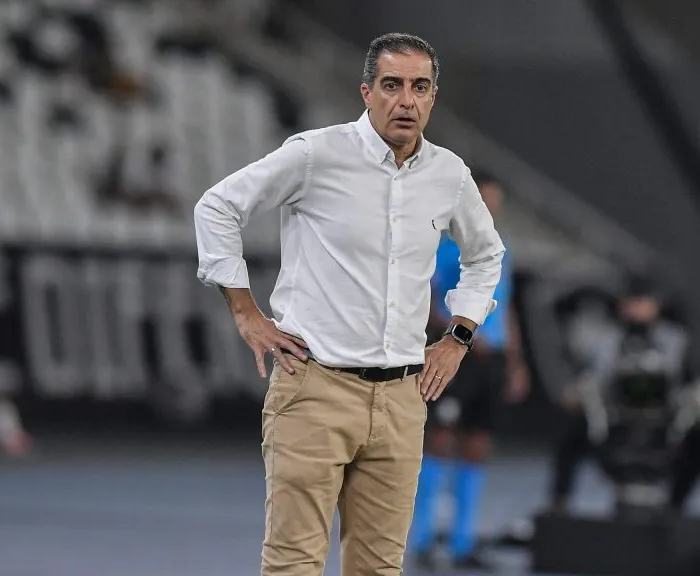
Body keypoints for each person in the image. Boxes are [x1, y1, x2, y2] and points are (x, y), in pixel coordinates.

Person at [193, 33, 505, 576]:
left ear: (433, 98)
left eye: (419, 87)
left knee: (380, 569)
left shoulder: (449, 175)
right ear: (366, 91)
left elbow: (486, 255)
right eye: (391, 85)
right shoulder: (316, 154)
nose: (405, 100)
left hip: (403, 398)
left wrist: (458, 337)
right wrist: (245, 310)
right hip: (315, 387)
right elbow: (218, 206)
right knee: (294, 564)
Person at [409, 170, 530, 569]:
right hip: (455, 355)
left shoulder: (502, 248)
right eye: (483, 199)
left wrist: (514, 361)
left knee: (478, 445)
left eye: (494, 201)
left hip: (491, 360)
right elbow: (425, 299)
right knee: (441, 440)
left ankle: (462, 542)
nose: (489, 208)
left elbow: (506, 305)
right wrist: (460, 335)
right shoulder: (444, 246)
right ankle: (424, 538)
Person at [549, 276, 699, 514]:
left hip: (665, 421)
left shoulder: (676, 340)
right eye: (633, 301)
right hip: (613, 419)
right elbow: (588, 378)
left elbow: (688, 383)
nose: (638, 308)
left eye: (643, 302)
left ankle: (675, 507)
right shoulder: (605, 339)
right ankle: (559, 504)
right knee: (570, 431)